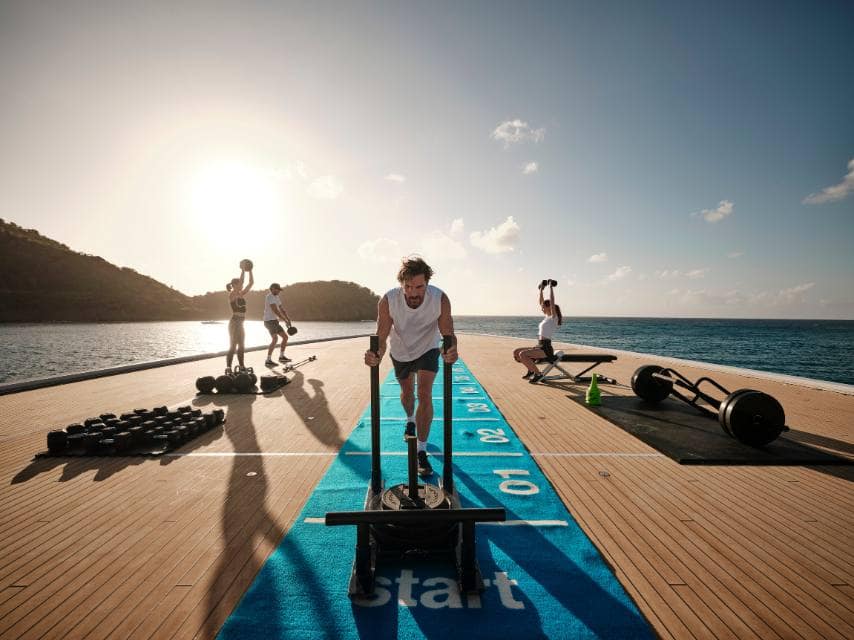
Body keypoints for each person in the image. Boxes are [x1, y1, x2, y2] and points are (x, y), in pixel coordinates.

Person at [364, 256, 458, 477]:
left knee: (424, 394)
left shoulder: (440, 299)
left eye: (419, 287)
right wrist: (375, 354)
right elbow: (381, 337)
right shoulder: (388, 300)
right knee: (407, 394)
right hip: (401, 351)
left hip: (428, 348)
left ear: (427, 283)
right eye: (408, 287)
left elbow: (448, 333)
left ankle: (421, 451)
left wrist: (451, 349)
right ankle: (410, 420)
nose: (413, 292)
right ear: (401, 284)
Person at [513, 280, 562, 383]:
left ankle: (538, 374)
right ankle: (531, 370)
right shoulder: (547, 317)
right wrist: (541, 290)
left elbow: (552, 301)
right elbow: (541, 302)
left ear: (549, 307)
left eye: (544, 307)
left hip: (546, 348)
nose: (542, 309)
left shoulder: (553, 318)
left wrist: (551, 287)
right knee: (516, 352)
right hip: (539, 345)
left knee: (522, 354)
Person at [225, 264, 254, 372]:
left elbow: (251, 283)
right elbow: (242, 281)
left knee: (241, 346)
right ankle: (228, 367)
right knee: (233, 346)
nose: (242, 286)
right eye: (239, 284)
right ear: (234, 285)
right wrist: (242, 270)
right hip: (235, 322)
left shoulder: (241, 294)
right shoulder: (232, 294)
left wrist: (250, 270)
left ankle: (241, 366)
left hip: (241, 323)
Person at [263, 282, 294, 366]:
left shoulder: (277, 297)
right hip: (268, 321)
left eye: (279, 290)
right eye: (277, 289)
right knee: (275, 339)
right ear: (272, 289)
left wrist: (288, 318)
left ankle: (281, 356)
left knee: (285, 337)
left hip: (275, 321)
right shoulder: (269, 297)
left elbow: (281, 309)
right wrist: (284, 320)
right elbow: (275, 310)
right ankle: (268, 360)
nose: (279, 291)